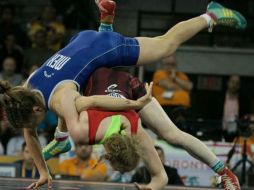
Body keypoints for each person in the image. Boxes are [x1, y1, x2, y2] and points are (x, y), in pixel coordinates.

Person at [0, 0, 247, 189]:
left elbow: (95, 100)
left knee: (166, 45)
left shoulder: (61, 97)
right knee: (70, 108)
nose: (33, 129)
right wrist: (44, 173)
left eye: (34, 122)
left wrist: (133, 103)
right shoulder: (26, 87)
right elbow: (29, 132)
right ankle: (105, 22)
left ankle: (209, 15)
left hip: (107, 48)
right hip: (81, 41)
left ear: (35, 109)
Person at [152, 55, 193, 128]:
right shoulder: (159, 74)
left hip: (182, 107)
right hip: (165, 106)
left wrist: (175, 78)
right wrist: (182, 88)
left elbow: (189, 86)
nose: (171, 66)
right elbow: (169, 86)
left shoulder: (180, 75)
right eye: (168, 64)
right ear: (163, 65)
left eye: (173, 64)